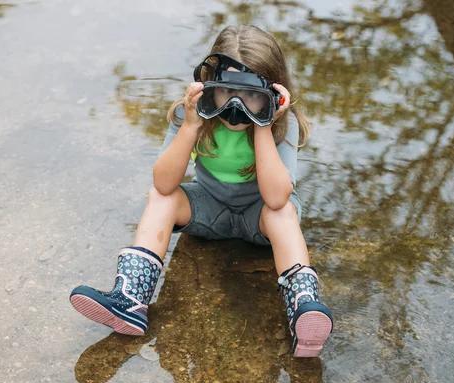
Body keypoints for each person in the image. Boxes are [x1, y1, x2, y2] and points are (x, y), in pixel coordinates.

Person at [70, 24, 333, 357]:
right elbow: (165, 183)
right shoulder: (191, 114)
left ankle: (303, 308)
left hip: (260, 217)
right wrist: (192, 124)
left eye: (253, 95)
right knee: (161, 198)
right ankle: (130, 299)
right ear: (210, 85)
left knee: (284, 212)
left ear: (273, 94)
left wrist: (264, 124)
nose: (237, 106)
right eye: (227, 92)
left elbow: (276, 197)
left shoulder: (283, 122)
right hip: (208, 209)